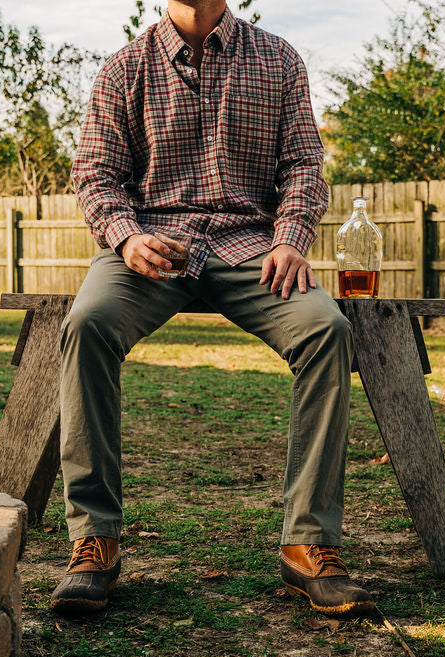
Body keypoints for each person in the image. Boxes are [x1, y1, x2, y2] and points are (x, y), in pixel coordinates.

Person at [49, 0, 373, 618]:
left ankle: (309, 545)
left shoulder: (277, 59)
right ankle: (95, 539)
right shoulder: (124, 68)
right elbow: (95, 175)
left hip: (252, 246)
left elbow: (305, 164)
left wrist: (290, 239)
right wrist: (125, 235)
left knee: (327, 329)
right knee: (88, 324)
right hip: (153, 247)